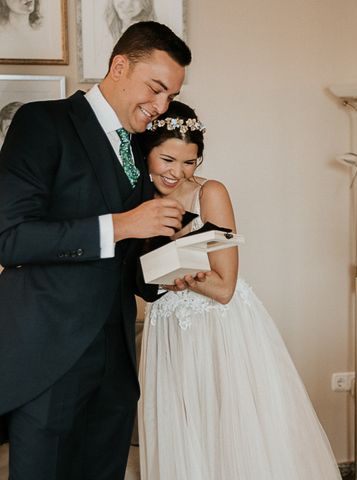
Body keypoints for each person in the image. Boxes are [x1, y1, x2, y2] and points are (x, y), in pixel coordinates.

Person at [0, 21, 195, 479]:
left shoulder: (139, 145)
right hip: (47, 354)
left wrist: (169, 269)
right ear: (119, 66)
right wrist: (123, 224)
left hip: (116, 361)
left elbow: (127, 259)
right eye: (156, 88)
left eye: (171, 95)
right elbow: (11, 237)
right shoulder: (42, 122)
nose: (161, 106)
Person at [136, 101, 342, 480]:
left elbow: (225, 286)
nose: (176, 173)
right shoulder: (136, 201)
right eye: (167, 159)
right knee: (182, 431)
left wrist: (174, 270)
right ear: (146, 151)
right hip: (166, 329)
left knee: (229, 431)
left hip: (218, 329)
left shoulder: (210, 193)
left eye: (189, 162)